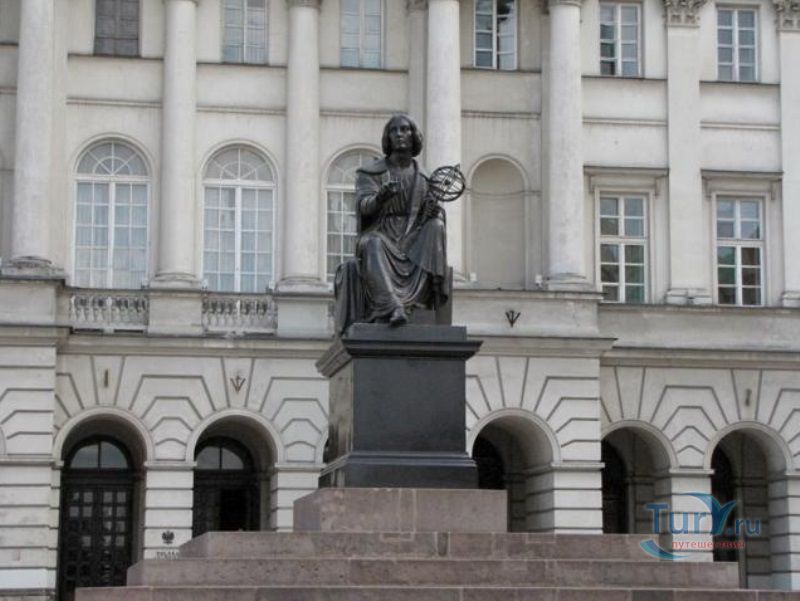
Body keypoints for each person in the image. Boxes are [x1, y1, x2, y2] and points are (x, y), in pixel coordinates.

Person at [333, 114, 448, 334]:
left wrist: (435, 213)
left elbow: (433, 212)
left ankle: (425, 302)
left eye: (405, 130)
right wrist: (380, 198)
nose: (399, 135)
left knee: (436, 227)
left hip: (413, 237)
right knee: (372, 243)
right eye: (394, 131)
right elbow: (363, 206)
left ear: (414, 136)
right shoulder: (371, 173)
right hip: (382, 233)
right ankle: (393, 306)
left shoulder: (424, 178)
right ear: (388, 138)